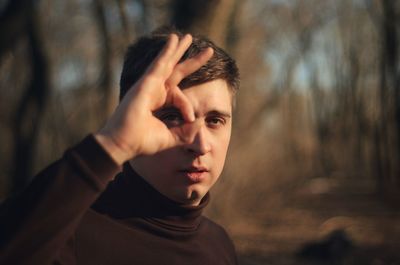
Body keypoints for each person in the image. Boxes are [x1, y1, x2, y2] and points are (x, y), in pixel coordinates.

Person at [0, 27, 240, 265]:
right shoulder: (68, 234)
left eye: (215, 121)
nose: (200, 145)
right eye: (172, 117)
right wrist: (114, 143)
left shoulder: (220, 245)